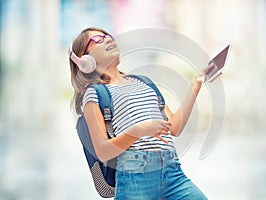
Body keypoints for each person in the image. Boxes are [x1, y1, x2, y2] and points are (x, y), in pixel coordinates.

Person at [69, 27, 220, 200]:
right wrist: (139, 130)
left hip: (172, 171)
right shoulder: (95, 93)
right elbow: (103, 151)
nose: (108, 39)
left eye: (108, 36)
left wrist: (196, 84)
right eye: (97, 40)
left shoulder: (143, 82)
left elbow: (174, 128)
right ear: (84, 60)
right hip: (135, 176)